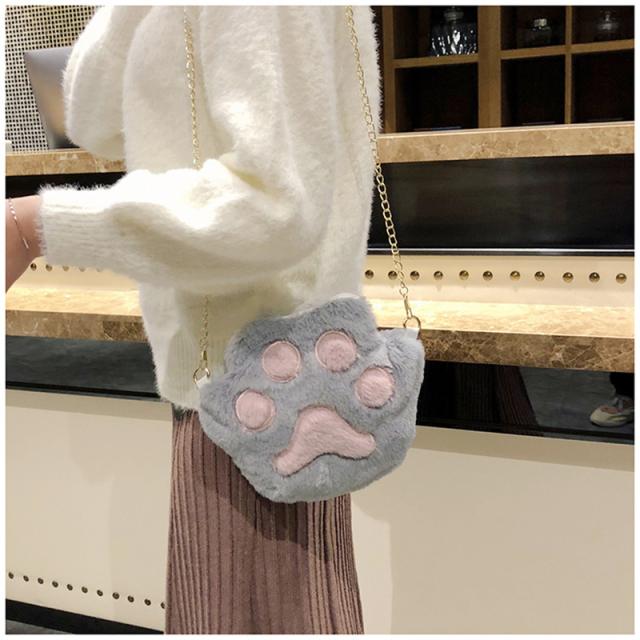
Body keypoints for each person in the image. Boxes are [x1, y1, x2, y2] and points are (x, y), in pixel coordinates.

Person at [5, 5, 382, 633]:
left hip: (261, 383)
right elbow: (89, 118)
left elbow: (274, 208)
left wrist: (35, 225)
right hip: (239, 371)